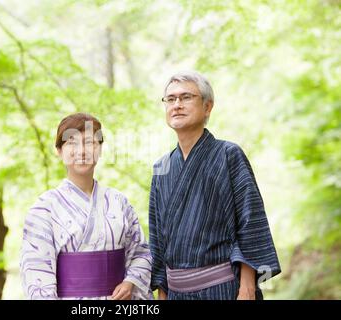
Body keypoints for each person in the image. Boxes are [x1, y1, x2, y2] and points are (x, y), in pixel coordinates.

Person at [149, 72, 281, 300]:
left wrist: (247, 287)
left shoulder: (228, 155)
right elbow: (158, 238)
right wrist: (162, 294)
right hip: (176, 293)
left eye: (186, 97)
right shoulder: (162, 167)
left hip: (222, 289)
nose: (177, 105)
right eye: (170, 99)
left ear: (207, 106)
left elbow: (250, 221)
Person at [20, 112, 152, 300]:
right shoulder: (44, 209)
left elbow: (141, 252)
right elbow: (37, 273)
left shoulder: (119, 202)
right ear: (59, 150)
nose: (82, 150)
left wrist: (130, 282)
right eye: (72, 143)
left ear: (99, 149)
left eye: (90, 142)